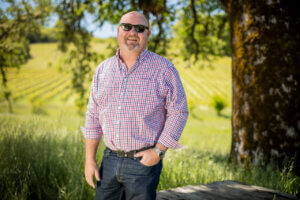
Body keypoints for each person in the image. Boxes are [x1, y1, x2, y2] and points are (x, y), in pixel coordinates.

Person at [81, 11, 189, 200]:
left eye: (140, 29)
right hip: (109, 160)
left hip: (143, 164)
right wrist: (90, 160)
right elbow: (93, 115)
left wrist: (158, 152)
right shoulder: (103, 70)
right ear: (118, 31)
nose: (132, 32)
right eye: (127, 27)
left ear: (148, 34)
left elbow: (179, 111)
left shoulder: (164, 69)